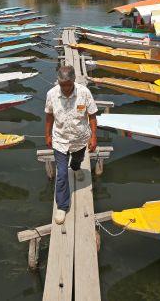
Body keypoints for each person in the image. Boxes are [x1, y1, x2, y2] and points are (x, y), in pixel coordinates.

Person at [45, 66, 98, 225]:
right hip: (60, 139)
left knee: (77, 160)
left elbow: (92, 115)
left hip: (79, 139)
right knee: (61, 173)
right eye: (63, 85)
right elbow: (48, 115)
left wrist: (94, 136)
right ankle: (62, 206)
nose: (66, 88)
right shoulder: (52, 94)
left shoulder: (84, 93)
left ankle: (75, 168)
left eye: (69, 84)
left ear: (74, 80)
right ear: (59, 82)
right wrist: (47, 135)